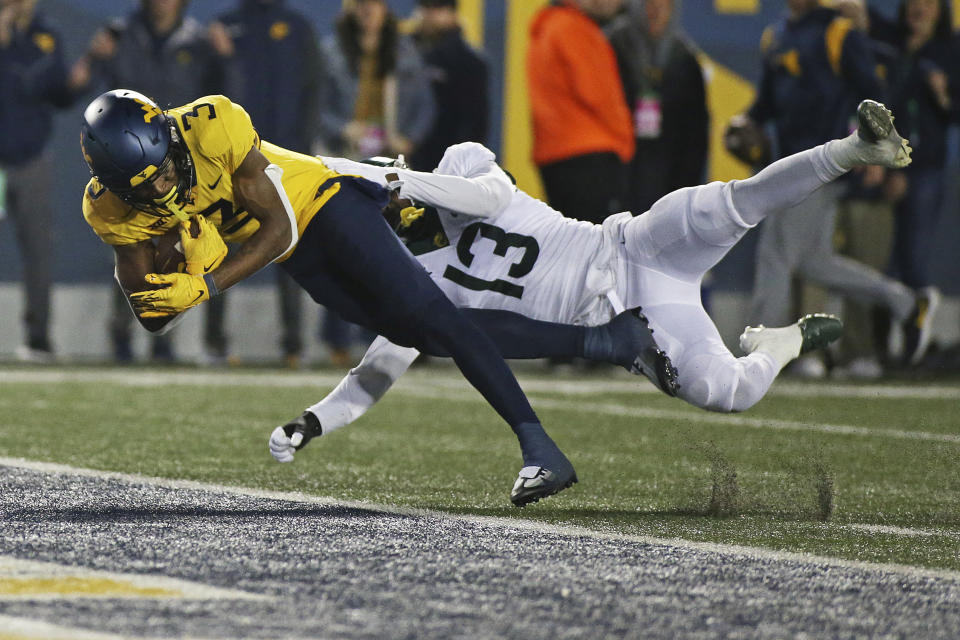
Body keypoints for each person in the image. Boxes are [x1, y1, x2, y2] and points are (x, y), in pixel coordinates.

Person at [78, 90, 669, 507]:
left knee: (433, 316)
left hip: (324, 202)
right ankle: (610, 340)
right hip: (296, 257)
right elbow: (149, 313)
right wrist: (170, 279)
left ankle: (540, 447)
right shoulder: (110, 209)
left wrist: (205, 283)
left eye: (163, 170)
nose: (162, 186)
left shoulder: (212, 125)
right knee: (430, 334)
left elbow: (278, 224)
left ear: (167, 136)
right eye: (145, 186)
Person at [267, 100, 913, 466]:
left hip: (628, 245)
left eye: (391, 179)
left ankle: (855, 150)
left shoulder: (459, 166)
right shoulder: (412, 278)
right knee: (728, 390)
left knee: (732, 205)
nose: (390, 199)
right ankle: (781, 344)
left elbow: (488, 194)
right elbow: (375, 372)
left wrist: (395, 181)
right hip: (633, 320)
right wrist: (312, 423)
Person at [737, 0, 939, 369]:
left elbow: (875, 93)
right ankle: (907, 304)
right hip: (788, 165)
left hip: (821, 163)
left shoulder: (838, 32)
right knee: (815, 262)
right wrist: (746, 120)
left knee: (776, 255)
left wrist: (882, 146)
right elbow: (767, 102)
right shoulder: (777, 35)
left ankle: (759, 355)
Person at [71, 0, 237, 364]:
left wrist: (226, 59)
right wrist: (95, 58)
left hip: (185, 167)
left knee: (208, 248)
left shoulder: (200, 41)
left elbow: (225, 97)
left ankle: (213, 342)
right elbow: (93, 101)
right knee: (132, 249)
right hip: (132, 170)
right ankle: (126, 335)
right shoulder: (120, 35)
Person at [315, 0, 436, 366]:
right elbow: (317, 107)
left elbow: (426, 104)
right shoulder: (331, 50)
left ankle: (380, 336)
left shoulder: (403, 50)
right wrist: (344, 128)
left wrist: (408, 137)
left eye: (375, 4)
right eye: (362, 4)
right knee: (339, 249)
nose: (369, 10)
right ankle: (337, 338)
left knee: (388, 251)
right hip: (345, 158)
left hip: (388, 162)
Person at [210, 0, 322, 368]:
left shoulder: (298, 28)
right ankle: (215, 344)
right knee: (217, 249)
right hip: (231, 162)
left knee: (288, 247)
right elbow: (207, 98)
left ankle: (293, 343)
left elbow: (312, 94)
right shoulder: (224, 27)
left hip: (283, 160)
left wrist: (300, 153)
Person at [0, 0, 85, 362]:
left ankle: (38, 338)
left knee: (39, 253)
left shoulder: (47, 34)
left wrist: (75, 85)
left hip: (31, 159)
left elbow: (58, 93)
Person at [527, 0, 634, 224]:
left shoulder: (546, 28)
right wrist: (625, 142)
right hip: (590, 160)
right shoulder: (575, 29)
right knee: (599, 248)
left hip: (554, 156)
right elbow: (600, 95)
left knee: (570, 245)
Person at [607, 0, 709, 213]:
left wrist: (686, 190)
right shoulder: (614, 47)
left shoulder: (684, 58)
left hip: (667, 172)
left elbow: (696, 133)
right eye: (649, 5)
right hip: (619, 170)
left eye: (664, 6)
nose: (655, 13)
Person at [409, 0, 489, 172]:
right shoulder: (404, 54)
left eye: (437, 8)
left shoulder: (469, 61)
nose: (428, 15)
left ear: (453, 13)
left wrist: (458, 165)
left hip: (444, 161)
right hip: (406, 156)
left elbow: (475, 122)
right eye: (425, 7)